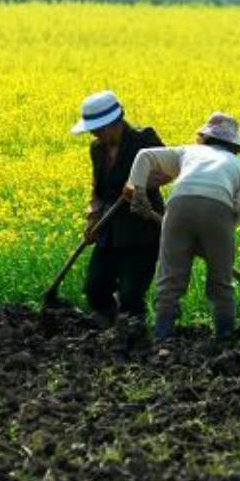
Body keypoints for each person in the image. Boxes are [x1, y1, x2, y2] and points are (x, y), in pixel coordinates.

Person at [126, 112, 240, 342]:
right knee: (221, 280)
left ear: (204, 139)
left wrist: (138, 192)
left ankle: (162, 336)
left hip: (179, 204)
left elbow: (144, 155)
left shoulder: (189, 151)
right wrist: (222, 234)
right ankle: (225, 338)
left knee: (170, 278)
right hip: (219, 209)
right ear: (235, 147)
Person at [71, 90, 165, 327]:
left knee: (131, 293)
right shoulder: (97, 149)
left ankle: (134, 333)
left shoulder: (144, 140)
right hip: (108, 227)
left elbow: (168, 171)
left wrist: (140, 184)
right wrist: (92, 220)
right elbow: (98, 190)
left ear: (113, 123)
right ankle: (108, 328)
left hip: (141, 225)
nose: (93, 133)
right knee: (95, 289)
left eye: (97, 128)